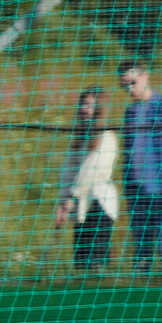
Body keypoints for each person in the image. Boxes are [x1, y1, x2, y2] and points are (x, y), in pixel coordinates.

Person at [118, 60, 162, 271]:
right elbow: (128, 153)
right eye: (124, 85)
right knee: (141, 252)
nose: (129, 89)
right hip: (137, 193)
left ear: (145, 76)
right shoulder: (130, 112)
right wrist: (128, 188)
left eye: (132, 82)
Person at [54, 87, 118, 271]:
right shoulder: (80, 138)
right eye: (82, 104)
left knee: (95, 262)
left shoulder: (106, 136)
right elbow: (69, 168)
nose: (85, 109)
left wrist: (72, 195)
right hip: (80, 205)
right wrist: (63, 199)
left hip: (99, 205)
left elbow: (91, 170)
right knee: (82, 264)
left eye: (90, 105)